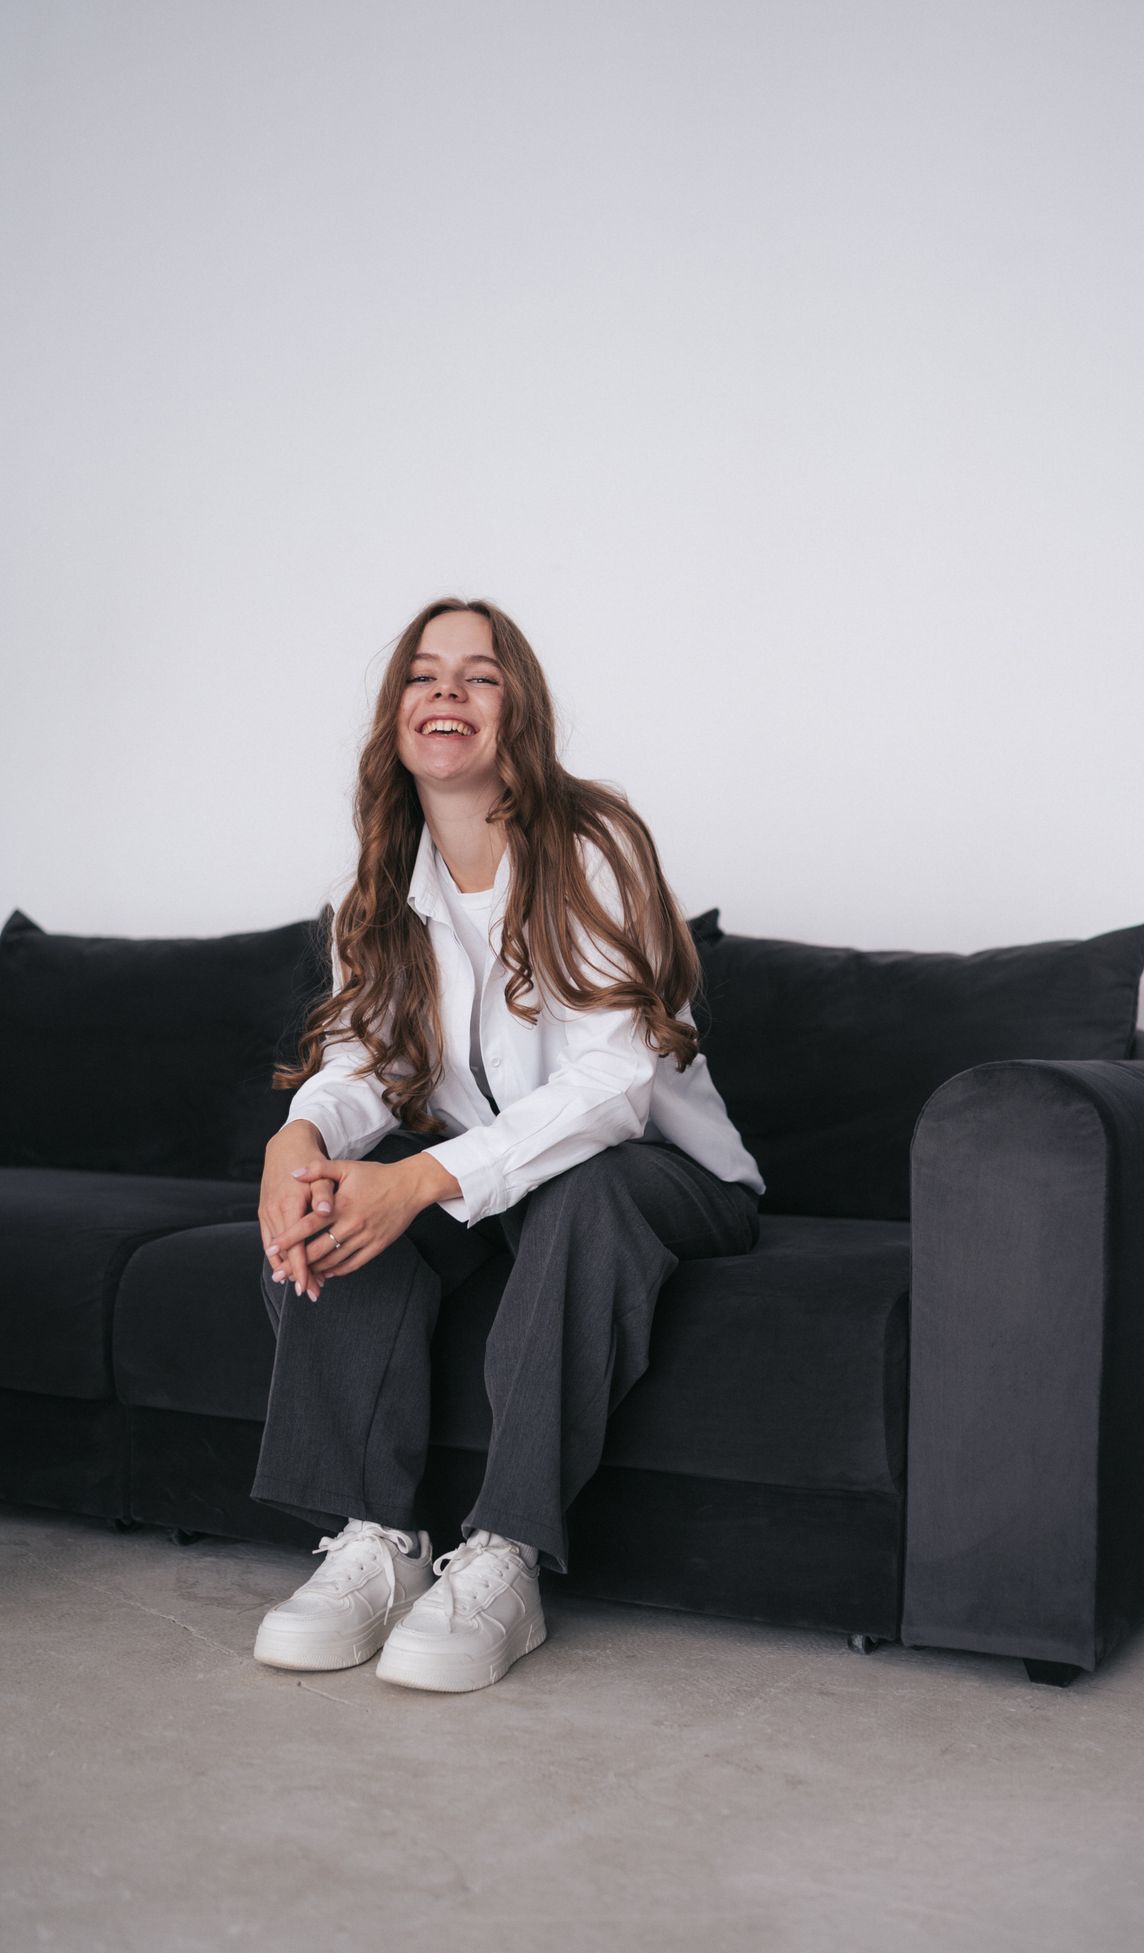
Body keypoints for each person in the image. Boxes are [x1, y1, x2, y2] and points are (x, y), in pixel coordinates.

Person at [250, 595, 765, 1694]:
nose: (447, 689)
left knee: (582, 1194)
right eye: (422, 673)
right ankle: (377, 1540)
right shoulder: (377, 886)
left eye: (478, 674)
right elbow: (362, 1060)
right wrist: (298, 1141)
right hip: (501, 1181)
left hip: (665, 1178)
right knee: (334, 1204)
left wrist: (421, 1179)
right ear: (397, 714)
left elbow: (616, 1085)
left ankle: (506, 1554)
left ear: (515, 709)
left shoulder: (595, 846)